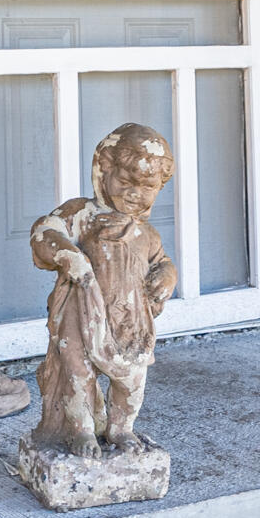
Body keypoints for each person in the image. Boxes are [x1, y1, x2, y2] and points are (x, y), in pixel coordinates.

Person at [28, 123, 178, 458]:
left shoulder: (147, 234)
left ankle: (121, 428)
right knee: (78, 374)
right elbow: (44, 230)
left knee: (132, 381)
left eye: (147, 186)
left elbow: (162, 262)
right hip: (81, 312)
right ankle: (81, 430)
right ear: (103, 168)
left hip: (130, 321)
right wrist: (69, 255)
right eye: (125, 181)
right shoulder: (83, 214)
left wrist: (167, 279)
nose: (134, 193)